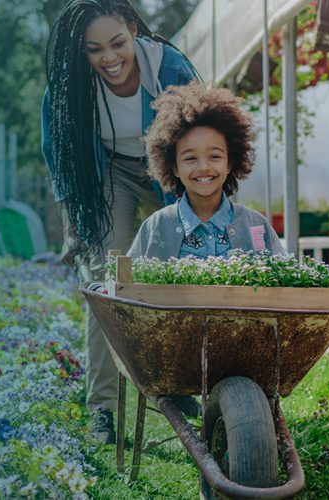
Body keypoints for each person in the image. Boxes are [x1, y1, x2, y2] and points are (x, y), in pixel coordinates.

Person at [41, 0, 200, 444]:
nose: (109, 58)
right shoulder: (71, 84)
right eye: (95, 50)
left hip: (168, 169)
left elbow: (205, 132)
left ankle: (176, 382)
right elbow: (58, 154)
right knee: (109, 281)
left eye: (117, 43)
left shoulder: (168, 67)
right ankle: (102, 409)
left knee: (182, 269)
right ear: (82, 51)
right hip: (110, 173)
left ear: (134, 30)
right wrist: (73, 220)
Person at [129, 81, 285, 264]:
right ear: (174, 167)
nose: (203, 167)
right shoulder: (156, 227)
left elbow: (282, 281)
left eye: (214, 156)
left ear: (230, 163)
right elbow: (125, 284)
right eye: (190, 158)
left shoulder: (256, 225)